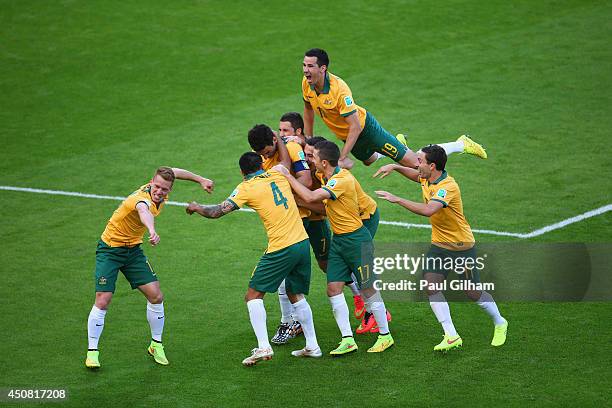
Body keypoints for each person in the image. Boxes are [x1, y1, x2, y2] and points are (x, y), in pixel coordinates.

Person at [186, 152, 321, 365]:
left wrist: (196, 207)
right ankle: (312, 345)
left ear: (242, 172)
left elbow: (217, 212)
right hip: (302, 242)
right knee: (296, 293)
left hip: (282, 246)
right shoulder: (278, 175)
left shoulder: (246, 187)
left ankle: (264, 347)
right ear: (261, 164)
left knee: (253, 296)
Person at [374, 145, 508, 351]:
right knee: (431, 286)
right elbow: (415, 176)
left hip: (461, 246)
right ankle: (451, 335)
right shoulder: (427, 177)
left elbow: (429, 210)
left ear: (432, 166)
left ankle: (500, 322)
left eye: (420, 161)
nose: (416, 165)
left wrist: (397, 199)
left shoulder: (448, 187)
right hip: (439, 245)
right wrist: (395, 166)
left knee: (472, 292)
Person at [85, 167, 214, 369]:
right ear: (150, 182)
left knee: (156, 296)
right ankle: (92, 352)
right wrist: (152, 230)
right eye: (157, 186)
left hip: (133, 251)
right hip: (110, 249)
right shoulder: (140, 198)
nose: (159, 191)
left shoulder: (163, 190)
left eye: (164, 189)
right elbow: (144, 211)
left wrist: (200, 179)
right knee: (103, 299)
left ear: (169, 189)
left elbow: (175, 171)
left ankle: (156, 344)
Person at [273, 141, 394, 354]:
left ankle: (385, 335)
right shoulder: (325, 176)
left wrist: (287, 175)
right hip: (338, 242)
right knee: (333, 288)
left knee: (368, 287)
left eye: (314, 158)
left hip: (356, 240)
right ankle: (348, 339)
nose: (311, 161)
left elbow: (310, 197)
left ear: (325, 162)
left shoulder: (342, 180)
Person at [301, 48, 487, 169]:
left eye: (310, 66)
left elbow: (356, 127)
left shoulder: (339, 91)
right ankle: (400, 145)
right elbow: (308, 108)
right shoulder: (306, 83)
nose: (305, 70)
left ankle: (460, 143)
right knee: (369, 160)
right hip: (347, 135)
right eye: (304, 65)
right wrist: (308, 139)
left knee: (416, 164)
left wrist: (341, 157)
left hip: (365, 129)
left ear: (323, 68)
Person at [248, 123, 311, 345]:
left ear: (274, 141)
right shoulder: (266, 161)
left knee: (331, 265)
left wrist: (285, 195)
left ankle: (370, 306)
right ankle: (289, 323)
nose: (265, 157)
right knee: (287, 280)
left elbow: (306, 181)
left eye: (266, 151)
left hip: (310, 217)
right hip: (290, 221)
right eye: (261, 154)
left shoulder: (292, 149)